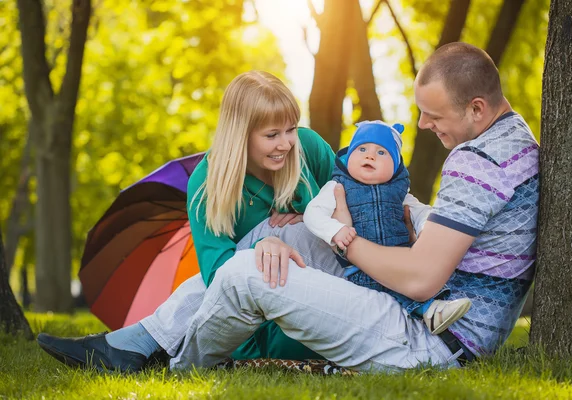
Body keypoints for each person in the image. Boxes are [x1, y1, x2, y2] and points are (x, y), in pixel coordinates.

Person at [39, 42, 539, 373]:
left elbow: (420, 281)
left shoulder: (477, 162)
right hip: (425, 307)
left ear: (476, 108)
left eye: (433, 115)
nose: (425, 126)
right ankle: (142, 339)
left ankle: (172, 362)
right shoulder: (508, 141)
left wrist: (343, 235)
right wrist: (310, 230)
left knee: (250, 269)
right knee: (260, 245)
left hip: (434, 333)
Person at [303, 119, 471, 335]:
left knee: (417, 277)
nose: (370, 155)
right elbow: (313, 213)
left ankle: (425, 318)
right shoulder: (337, 187)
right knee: (398, 286)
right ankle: (431, 310)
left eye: (382, 152)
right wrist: (334, 230)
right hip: (361, 268)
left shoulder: (399, 194)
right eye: (361, 149)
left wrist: (427, 232)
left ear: (396, 166)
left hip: (399, 260)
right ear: (349, 156)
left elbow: (422, 214)